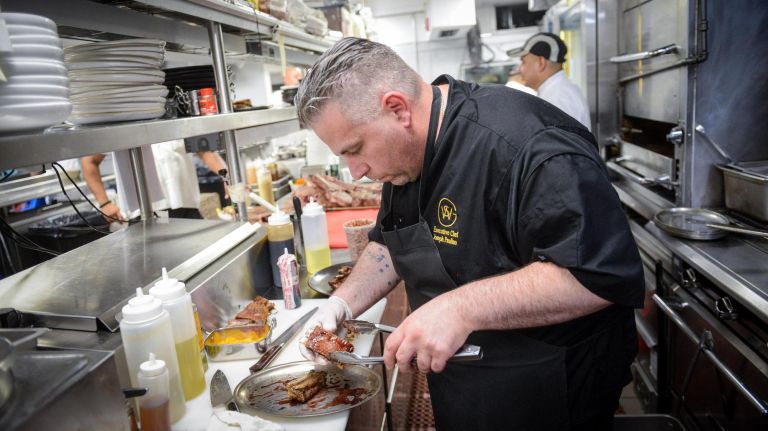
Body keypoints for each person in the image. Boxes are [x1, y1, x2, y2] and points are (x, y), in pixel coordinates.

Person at [295, 38, 644, 431]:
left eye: (355, 148)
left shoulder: (529, 145)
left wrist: (458, 308)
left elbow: (596, 276)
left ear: (397, 109)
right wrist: (340, 305)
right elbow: (390, 243)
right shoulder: (405, 156)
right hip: (465, 381)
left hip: (550, 388)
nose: (356, 170)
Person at [81, 141, 227, 221]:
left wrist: (227, 177)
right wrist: (104, 203)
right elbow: (89, 162)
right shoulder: (121, 125)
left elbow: (205, 151)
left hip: (188, 209)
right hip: (145, 216)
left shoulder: (175, 113)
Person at [508, 32, 592, 130]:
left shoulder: (557, 98)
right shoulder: (558, 91)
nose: (519, 69)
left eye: (523, 61)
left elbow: (559, 145)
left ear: (541, 63)